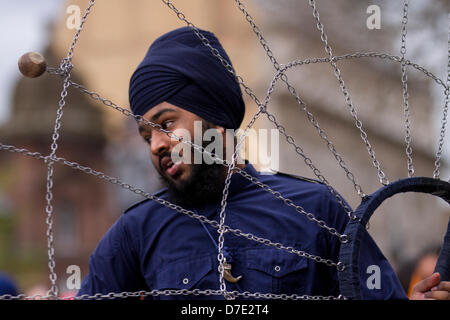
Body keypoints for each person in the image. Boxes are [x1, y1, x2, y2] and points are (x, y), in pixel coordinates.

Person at [77, 27, 449, 300]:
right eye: (146, 135)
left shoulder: (314, 209)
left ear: (214, 116)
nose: (157, 144)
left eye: (167, 123)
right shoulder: (135, 233)